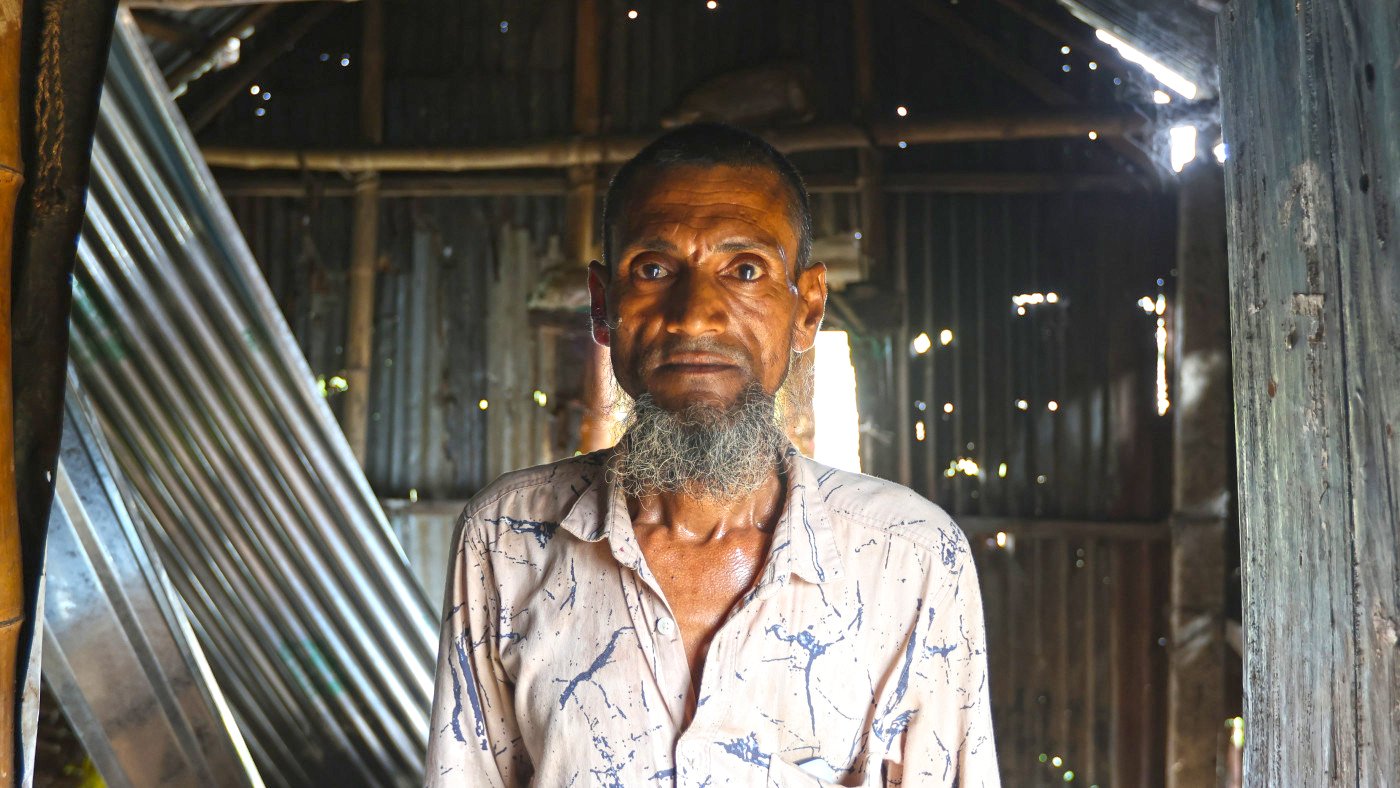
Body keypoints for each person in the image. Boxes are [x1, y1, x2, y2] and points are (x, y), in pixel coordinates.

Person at [425, 123, 998, 786]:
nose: (695, 316)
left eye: (745, 270)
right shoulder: (507, 537)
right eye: (654, 268)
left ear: (807, 309)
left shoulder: (912, 556)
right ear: (604, 306)